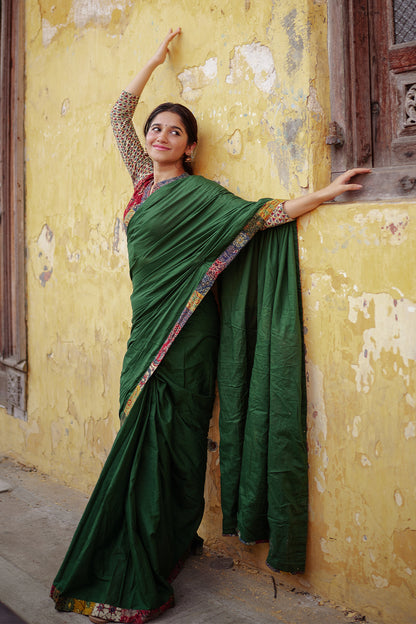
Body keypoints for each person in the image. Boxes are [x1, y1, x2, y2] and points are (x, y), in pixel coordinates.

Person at [50, 28, 370, 624]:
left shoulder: (203, 196)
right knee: (143, 442)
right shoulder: (142, 184)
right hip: (146, 332)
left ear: (190, 146)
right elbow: (119, 113)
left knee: (179, 448)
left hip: (191, 339)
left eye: (174, 130)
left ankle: (163, 543)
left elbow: (264, 215)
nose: (160, 135)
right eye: (156, 128)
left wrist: (326, 193)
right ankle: (141, 543)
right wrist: (152, 60)